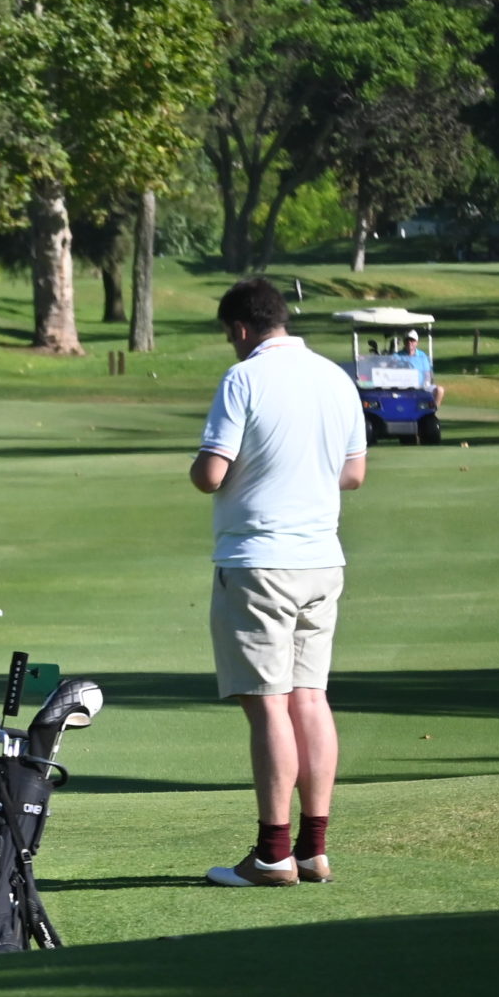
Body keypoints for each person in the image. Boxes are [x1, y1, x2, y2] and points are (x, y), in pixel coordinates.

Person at [189, 278, 369, 887]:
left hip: (259, 561)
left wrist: (203, 469)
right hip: (322, 560)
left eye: (230, 336)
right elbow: (354, 473)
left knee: (268, 705)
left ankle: (273, 854)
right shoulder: (336, 379)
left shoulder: (243, 379)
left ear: (241, 329)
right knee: (310, 699)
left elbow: (212, 474)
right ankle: (313, 849)